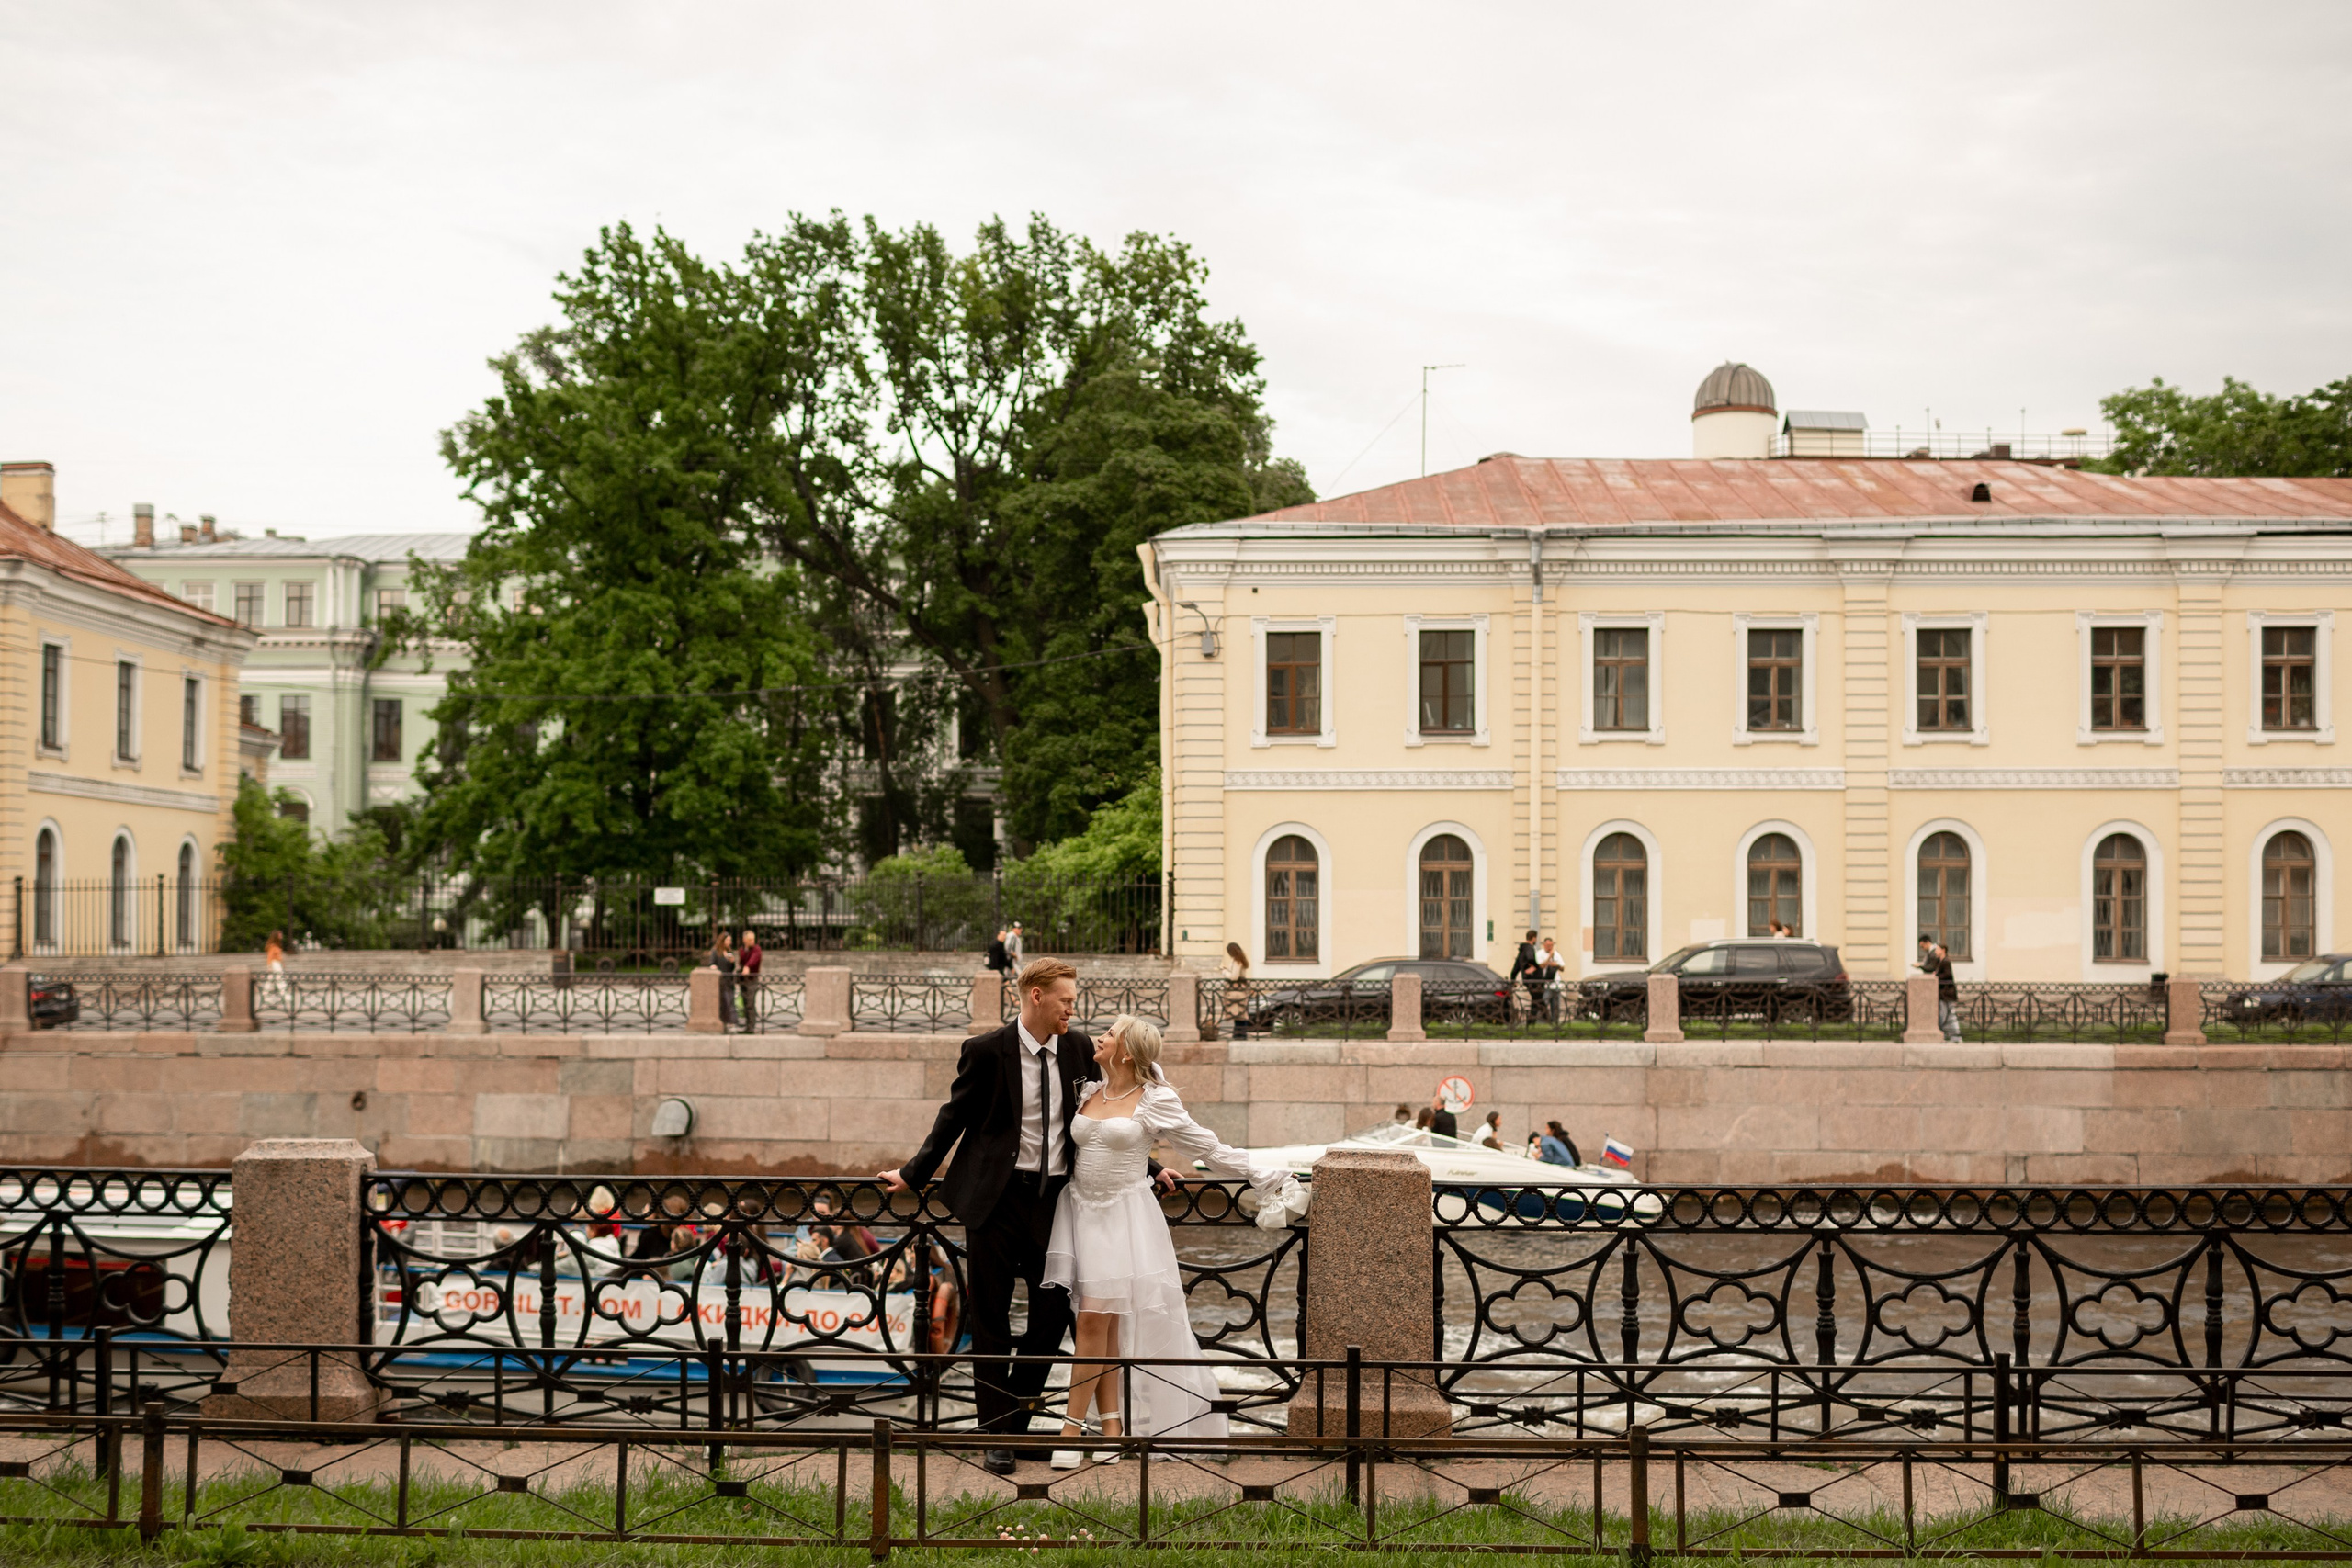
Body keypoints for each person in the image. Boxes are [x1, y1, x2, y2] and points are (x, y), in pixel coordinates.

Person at [879, 959, 1177, 1477]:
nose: (1073, 1008)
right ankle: (998, 1436)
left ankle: (1014, 1418)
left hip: (1054, 1202)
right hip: (993, 1203)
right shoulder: (986, 1051)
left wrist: (1147, 1165)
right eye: (1065, 999)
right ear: (1035, 996)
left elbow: (1102, 1117)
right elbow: (953, 1118)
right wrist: (913, 1172)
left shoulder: (1080, 1048)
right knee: (990, 1318)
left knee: (1051, 1317)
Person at [1043, 1014, 1286, 1468]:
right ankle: (1112, 1428)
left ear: (1127, 1052)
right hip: (1080, 1212)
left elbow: (1207, 1147)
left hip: (1123, 1217)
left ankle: (1070, 1431)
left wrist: (1263, 1174)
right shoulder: (1090, 1090)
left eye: (1110, 1034)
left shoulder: (1156, 1099)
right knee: (1104, 1326)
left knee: (1092, 1322)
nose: (1099, 1037)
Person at [1918, 934, 1962, 1043]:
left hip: (1947, 994)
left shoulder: (1946, 961)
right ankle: (1950, 1036)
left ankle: (1955, 1037)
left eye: (1937, 949)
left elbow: (1948, 975)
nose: (1936, 951)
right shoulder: (1941, 962)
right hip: (1944, 994)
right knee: (1945, 1016)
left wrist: (1936, 976)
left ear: (1943, 950)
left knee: (1948, 1015)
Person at [1220, 942, 1251, 1040]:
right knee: (1238, 1011)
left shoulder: (1237, 961)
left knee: (1239, 1012)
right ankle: (1238, 1033)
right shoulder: (1239, 960)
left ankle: (1241, 1034)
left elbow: (1234, 977)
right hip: (1240, 989)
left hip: (1237, 989)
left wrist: (1224, 972)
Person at [709, 931, 738, 1031]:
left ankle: (731, 1022)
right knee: (724, 1001)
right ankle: (724, 1022)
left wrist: (732, 962)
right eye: (728, 940)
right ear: (723, 941)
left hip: (729, 980)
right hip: (720, 980)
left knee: (730, 1001)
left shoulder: (729, 952)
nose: (730, 942)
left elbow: (732, 967)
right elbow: (712, 963)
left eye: (730, 940)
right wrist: (715, 969)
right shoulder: (716, 951)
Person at [738, 929, 762, 1033]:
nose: (752, 941)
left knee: (750, 1004)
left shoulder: (756, 949)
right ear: (744, 940)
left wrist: (747, 966)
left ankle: (751, 1027)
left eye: (753, 939)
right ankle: (747, 1026)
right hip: (743, 979)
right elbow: (741, 961)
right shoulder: (742, 949)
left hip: (752, 979)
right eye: (750, 939)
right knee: (745, 1003)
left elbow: (754, 959)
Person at [1535, 937, 1565, 1021]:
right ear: (1544, 945)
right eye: (1548, 945)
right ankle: (1541, 1022)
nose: (1550, 947)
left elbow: (1562, 968)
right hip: (1545, 985)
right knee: (1543, 1004)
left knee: (1555, 1007)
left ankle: (1555, 1024)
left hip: (1556, 985)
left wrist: (1557, 965)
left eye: (1551, 945)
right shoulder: (1539, 954)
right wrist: (1549, 958)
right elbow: (1541, 966)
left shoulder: (1556, 954)